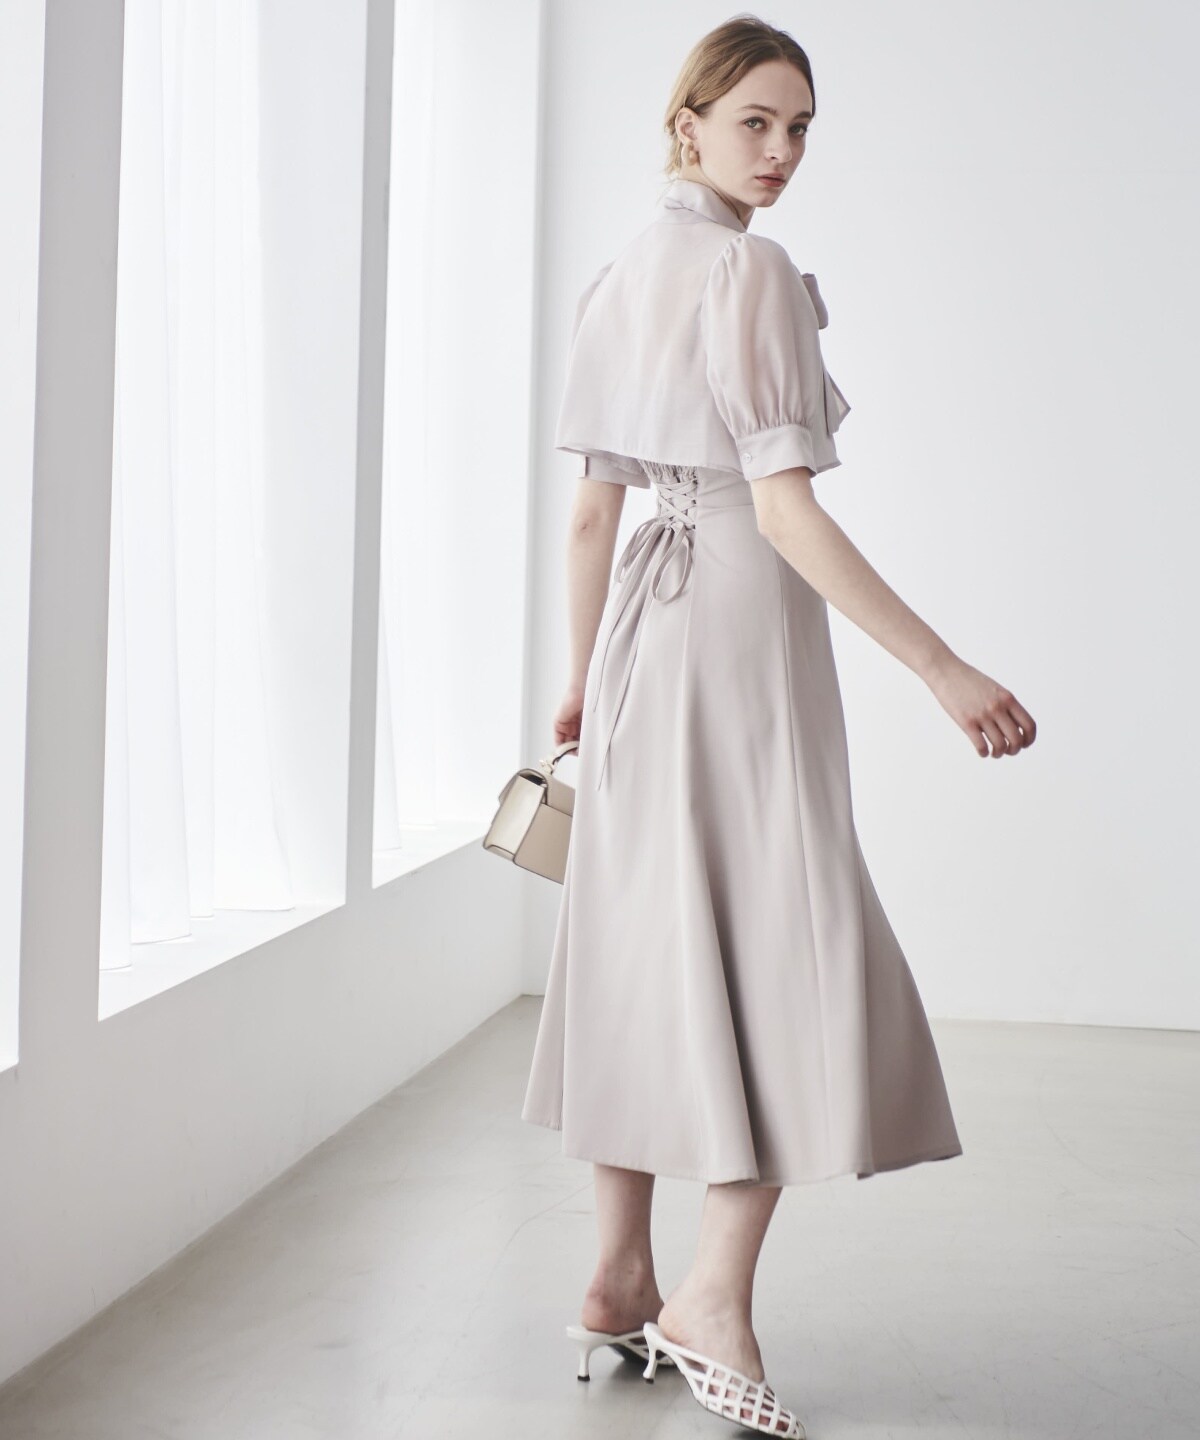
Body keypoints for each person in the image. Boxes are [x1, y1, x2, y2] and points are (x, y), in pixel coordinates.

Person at [522, 17, 1037, 1437]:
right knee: (784, 941)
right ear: (687, 121)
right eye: (756, 121)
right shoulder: (745, 273)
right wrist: (941, 668)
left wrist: (582, 676)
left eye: (801, 127)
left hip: (642, 631)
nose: (783, 152)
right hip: (740, 627)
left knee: (652, 940)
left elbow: (593, 512)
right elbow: (786, 512)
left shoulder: (618, 274)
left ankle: (617, 1278)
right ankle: (711, 1297)